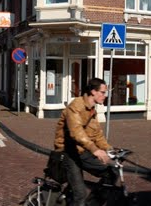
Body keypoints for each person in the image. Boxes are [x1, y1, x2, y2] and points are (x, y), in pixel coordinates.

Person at [53, 78, 115, 206]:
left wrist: (110, 149)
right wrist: (95, 150)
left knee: (111, 172)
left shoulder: (92, 111)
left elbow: (97, 135)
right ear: (93, 91)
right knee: (80, 194)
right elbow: (76, 132)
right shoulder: (76, 106)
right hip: (69, 152)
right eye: (103, 92)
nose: (105, 95)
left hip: (81, 151)